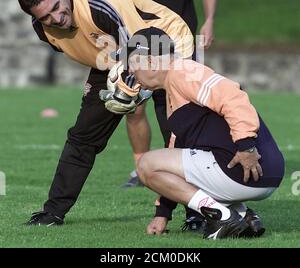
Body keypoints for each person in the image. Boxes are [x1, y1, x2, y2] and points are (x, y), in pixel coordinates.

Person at [19, 0, 221, 205]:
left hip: (169, 37)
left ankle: (197, 200)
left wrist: (210, 21)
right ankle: (140, 168)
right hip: (124, 37)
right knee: (129, 106)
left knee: (178, 118)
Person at [16, 0, 194, 225]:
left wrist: (131, 90)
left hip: (165, 45)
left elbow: (141, 47)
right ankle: (52, 213)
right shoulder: (43, 29)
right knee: (83, 135)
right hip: (112, 59)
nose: (56, 18)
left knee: (178, 131)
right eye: (45, 16)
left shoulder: (102, 1)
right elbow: (96, 49)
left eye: (56, 7)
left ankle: (197, 214)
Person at [115, 27, 285, 239]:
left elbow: (233, 97)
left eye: (131, 64)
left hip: (247, 165)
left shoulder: (183, 71)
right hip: (260, 174)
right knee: (161, 163)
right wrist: (163, 213)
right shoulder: (174, 88)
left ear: (149, 61)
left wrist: (246, 146)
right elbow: (175, 156)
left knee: (145, 164)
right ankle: (243, 215)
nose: (130, 73)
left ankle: (222, 217)